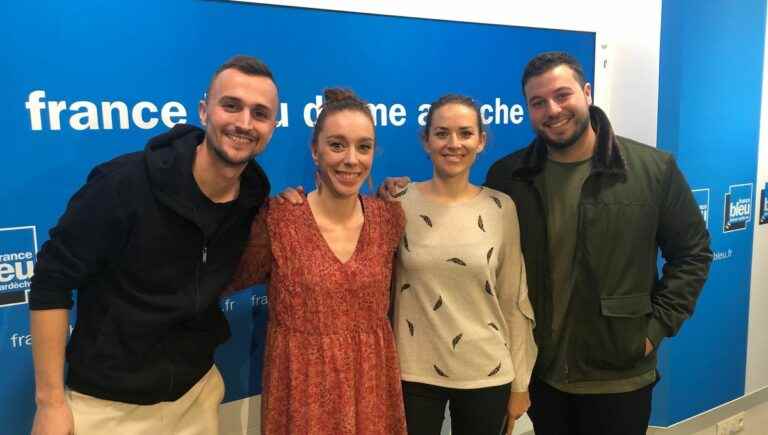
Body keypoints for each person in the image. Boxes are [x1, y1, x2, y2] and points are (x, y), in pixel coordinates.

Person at [28, 55, 278, 435]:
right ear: (204, 110)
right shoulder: (122, 184)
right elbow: (50, 281)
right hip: (107, 409)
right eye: (231, 105)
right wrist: (49, 402)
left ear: (273, 126)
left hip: (197, 399)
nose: (244, 123)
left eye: (260, 113)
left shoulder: (255, 195)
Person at [482, 51, 712, 434]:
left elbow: (692, 254)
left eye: (562, 95)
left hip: (619, 374)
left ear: (586, 92)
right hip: (543, 372)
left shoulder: (653, 169)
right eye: (538, 102)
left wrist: (653, 331)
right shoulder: (508, 175)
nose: (552, 110)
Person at [227, 88, 408, 435]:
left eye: (364, 146)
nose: (351, 159)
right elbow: (224, 277)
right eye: (337, 145)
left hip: (371, 389)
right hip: (302, 393)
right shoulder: (279, 220)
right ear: (315, 150)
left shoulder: (389, 219)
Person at [391, 94, 536, 435]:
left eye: (465, 133)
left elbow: (514, 300)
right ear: (425, 141)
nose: (453, 144)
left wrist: (520, 384)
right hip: (413, 371)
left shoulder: (502, 208)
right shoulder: (396, 203)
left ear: (481, 141)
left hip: (486, 370)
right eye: (442, 133)